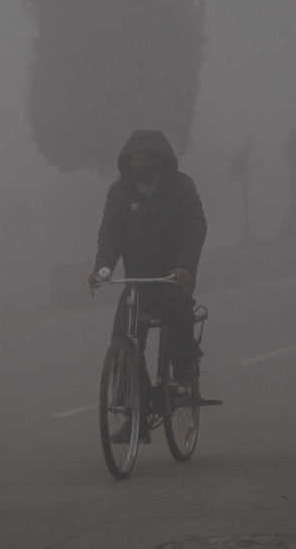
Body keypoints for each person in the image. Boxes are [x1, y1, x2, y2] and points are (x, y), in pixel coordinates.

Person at [88, 129, 208, 388]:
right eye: (135, 161)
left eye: (146, 160)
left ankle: (185, 369)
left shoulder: (182, 187)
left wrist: (185, 266)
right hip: (137, 280)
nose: (140, 165)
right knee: (122, 336)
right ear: (127, 163)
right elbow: (110, 235)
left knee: (177, 309)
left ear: (161, 160)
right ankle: (131, 403)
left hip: (175, 276)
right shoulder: (119, 192)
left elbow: (195, 228)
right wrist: (101, 268)